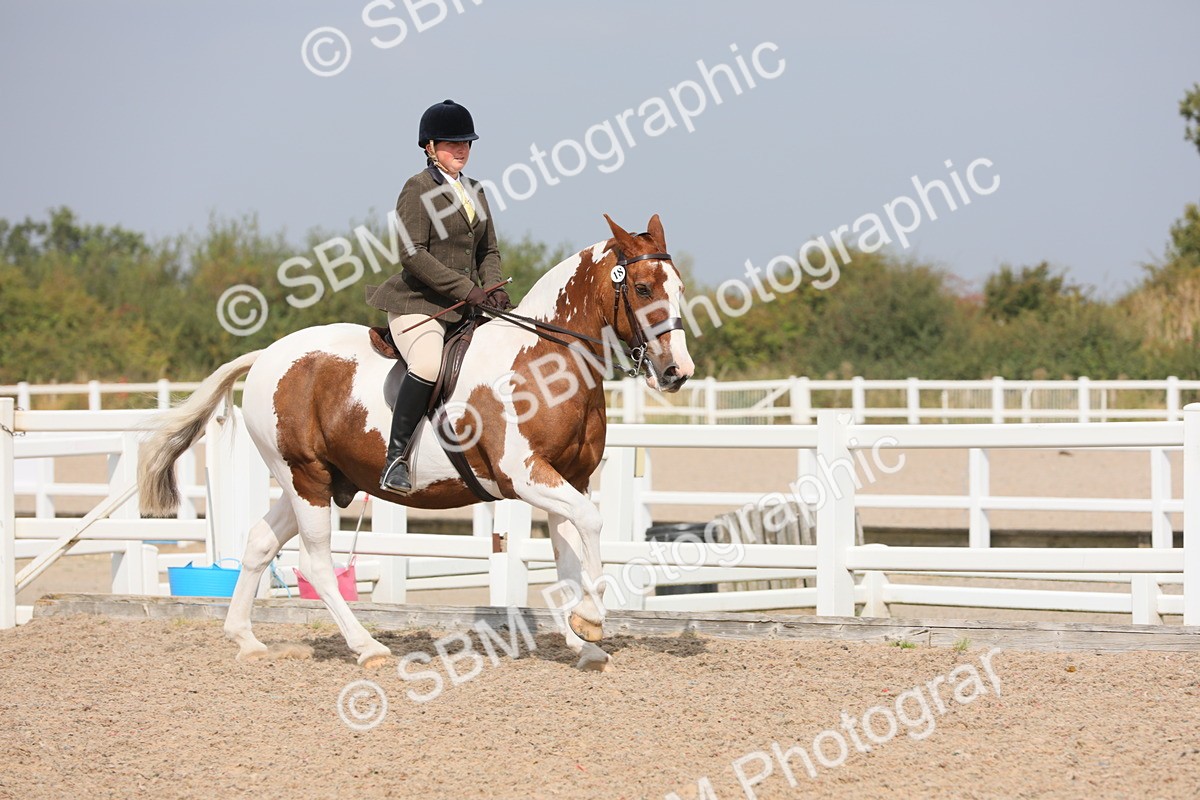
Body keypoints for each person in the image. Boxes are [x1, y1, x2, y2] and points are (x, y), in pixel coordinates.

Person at [365, 99, 512, 494]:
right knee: (429, 363)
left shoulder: (476, 190)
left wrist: (493, 290)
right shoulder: (417, 188)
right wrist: (468, 290)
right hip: (420, 306)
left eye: (466, 143)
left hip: (469, 306)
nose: (461, 149)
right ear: (430, 147)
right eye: (451, 143)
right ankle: (394, 458)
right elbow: (412, 253)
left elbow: (489, 251)